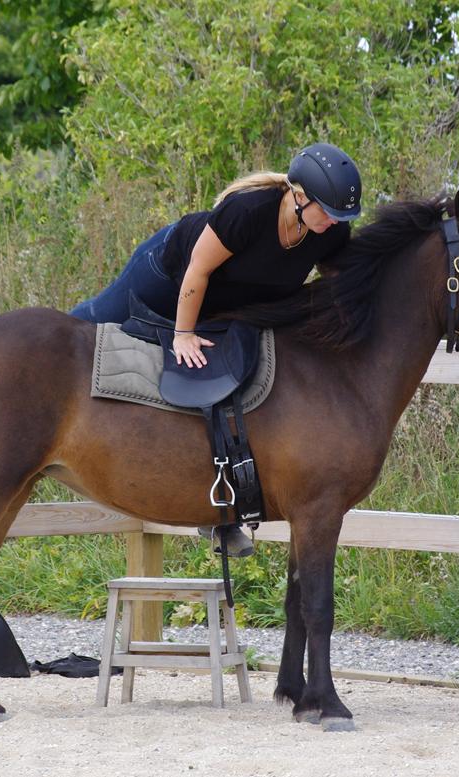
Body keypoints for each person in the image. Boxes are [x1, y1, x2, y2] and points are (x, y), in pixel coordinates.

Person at [71, 143, 364, 556]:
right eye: (330, 211)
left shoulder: (328, 233)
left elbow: (342, 288)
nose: (336, 222)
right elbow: (198, 270)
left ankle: (220, 510)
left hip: (232, 304)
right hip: (171, 273)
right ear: (299, 197)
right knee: (86, 325)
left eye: (342, 216)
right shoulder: (249, 210)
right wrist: (183, 333)